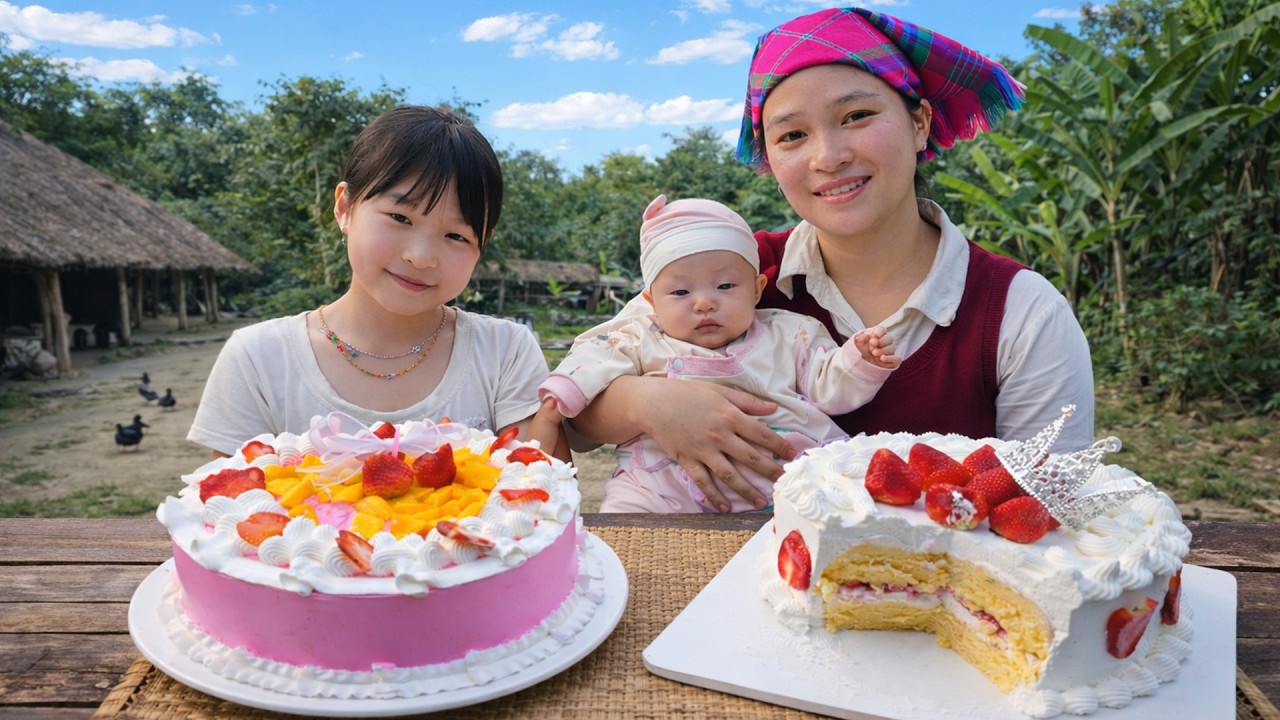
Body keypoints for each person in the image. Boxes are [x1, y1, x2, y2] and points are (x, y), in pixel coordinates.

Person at [571, 7, 1095, 512]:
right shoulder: (723, 271)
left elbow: (1051, 503)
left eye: (856, 115)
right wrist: (648, 404)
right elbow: (579, 412)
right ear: (769, 158)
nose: (828, 156)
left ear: (919, 123)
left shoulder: (1020, 311)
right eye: (793, 134)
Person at [189, 105, 564, 460]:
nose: (421, 256)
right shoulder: (259, 358)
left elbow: (543, 499)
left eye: (456, 236)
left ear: (483, 243)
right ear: (344, 207)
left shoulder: (504, 353)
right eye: (400, 217)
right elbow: (231, 509)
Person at [539, 194, 900, 512]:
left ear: (758, 289)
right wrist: (562, 395)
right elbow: (591, 363)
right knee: (623, 516)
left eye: (726, 285)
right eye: (680, 292)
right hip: (662, 487)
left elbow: (829, 387)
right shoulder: (637, 337)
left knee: (839, 504)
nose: (704, 302)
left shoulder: (791, 333)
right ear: (650, 301)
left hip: (784, 482)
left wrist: (859, 359)